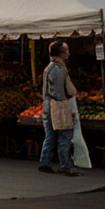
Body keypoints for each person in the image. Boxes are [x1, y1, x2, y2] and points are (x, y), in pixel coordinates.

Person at [38, 40, 82, 177]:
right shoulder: (57, 69)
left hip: (48, 104)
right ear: (61, 51)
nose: (68, 53)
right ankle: (65, 166)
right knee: (64, 135)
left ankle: (44, 162)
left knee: (50, 135)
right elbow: (57, 91)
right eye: (66, 50)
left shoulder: (50, 68)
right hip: (57, 105)